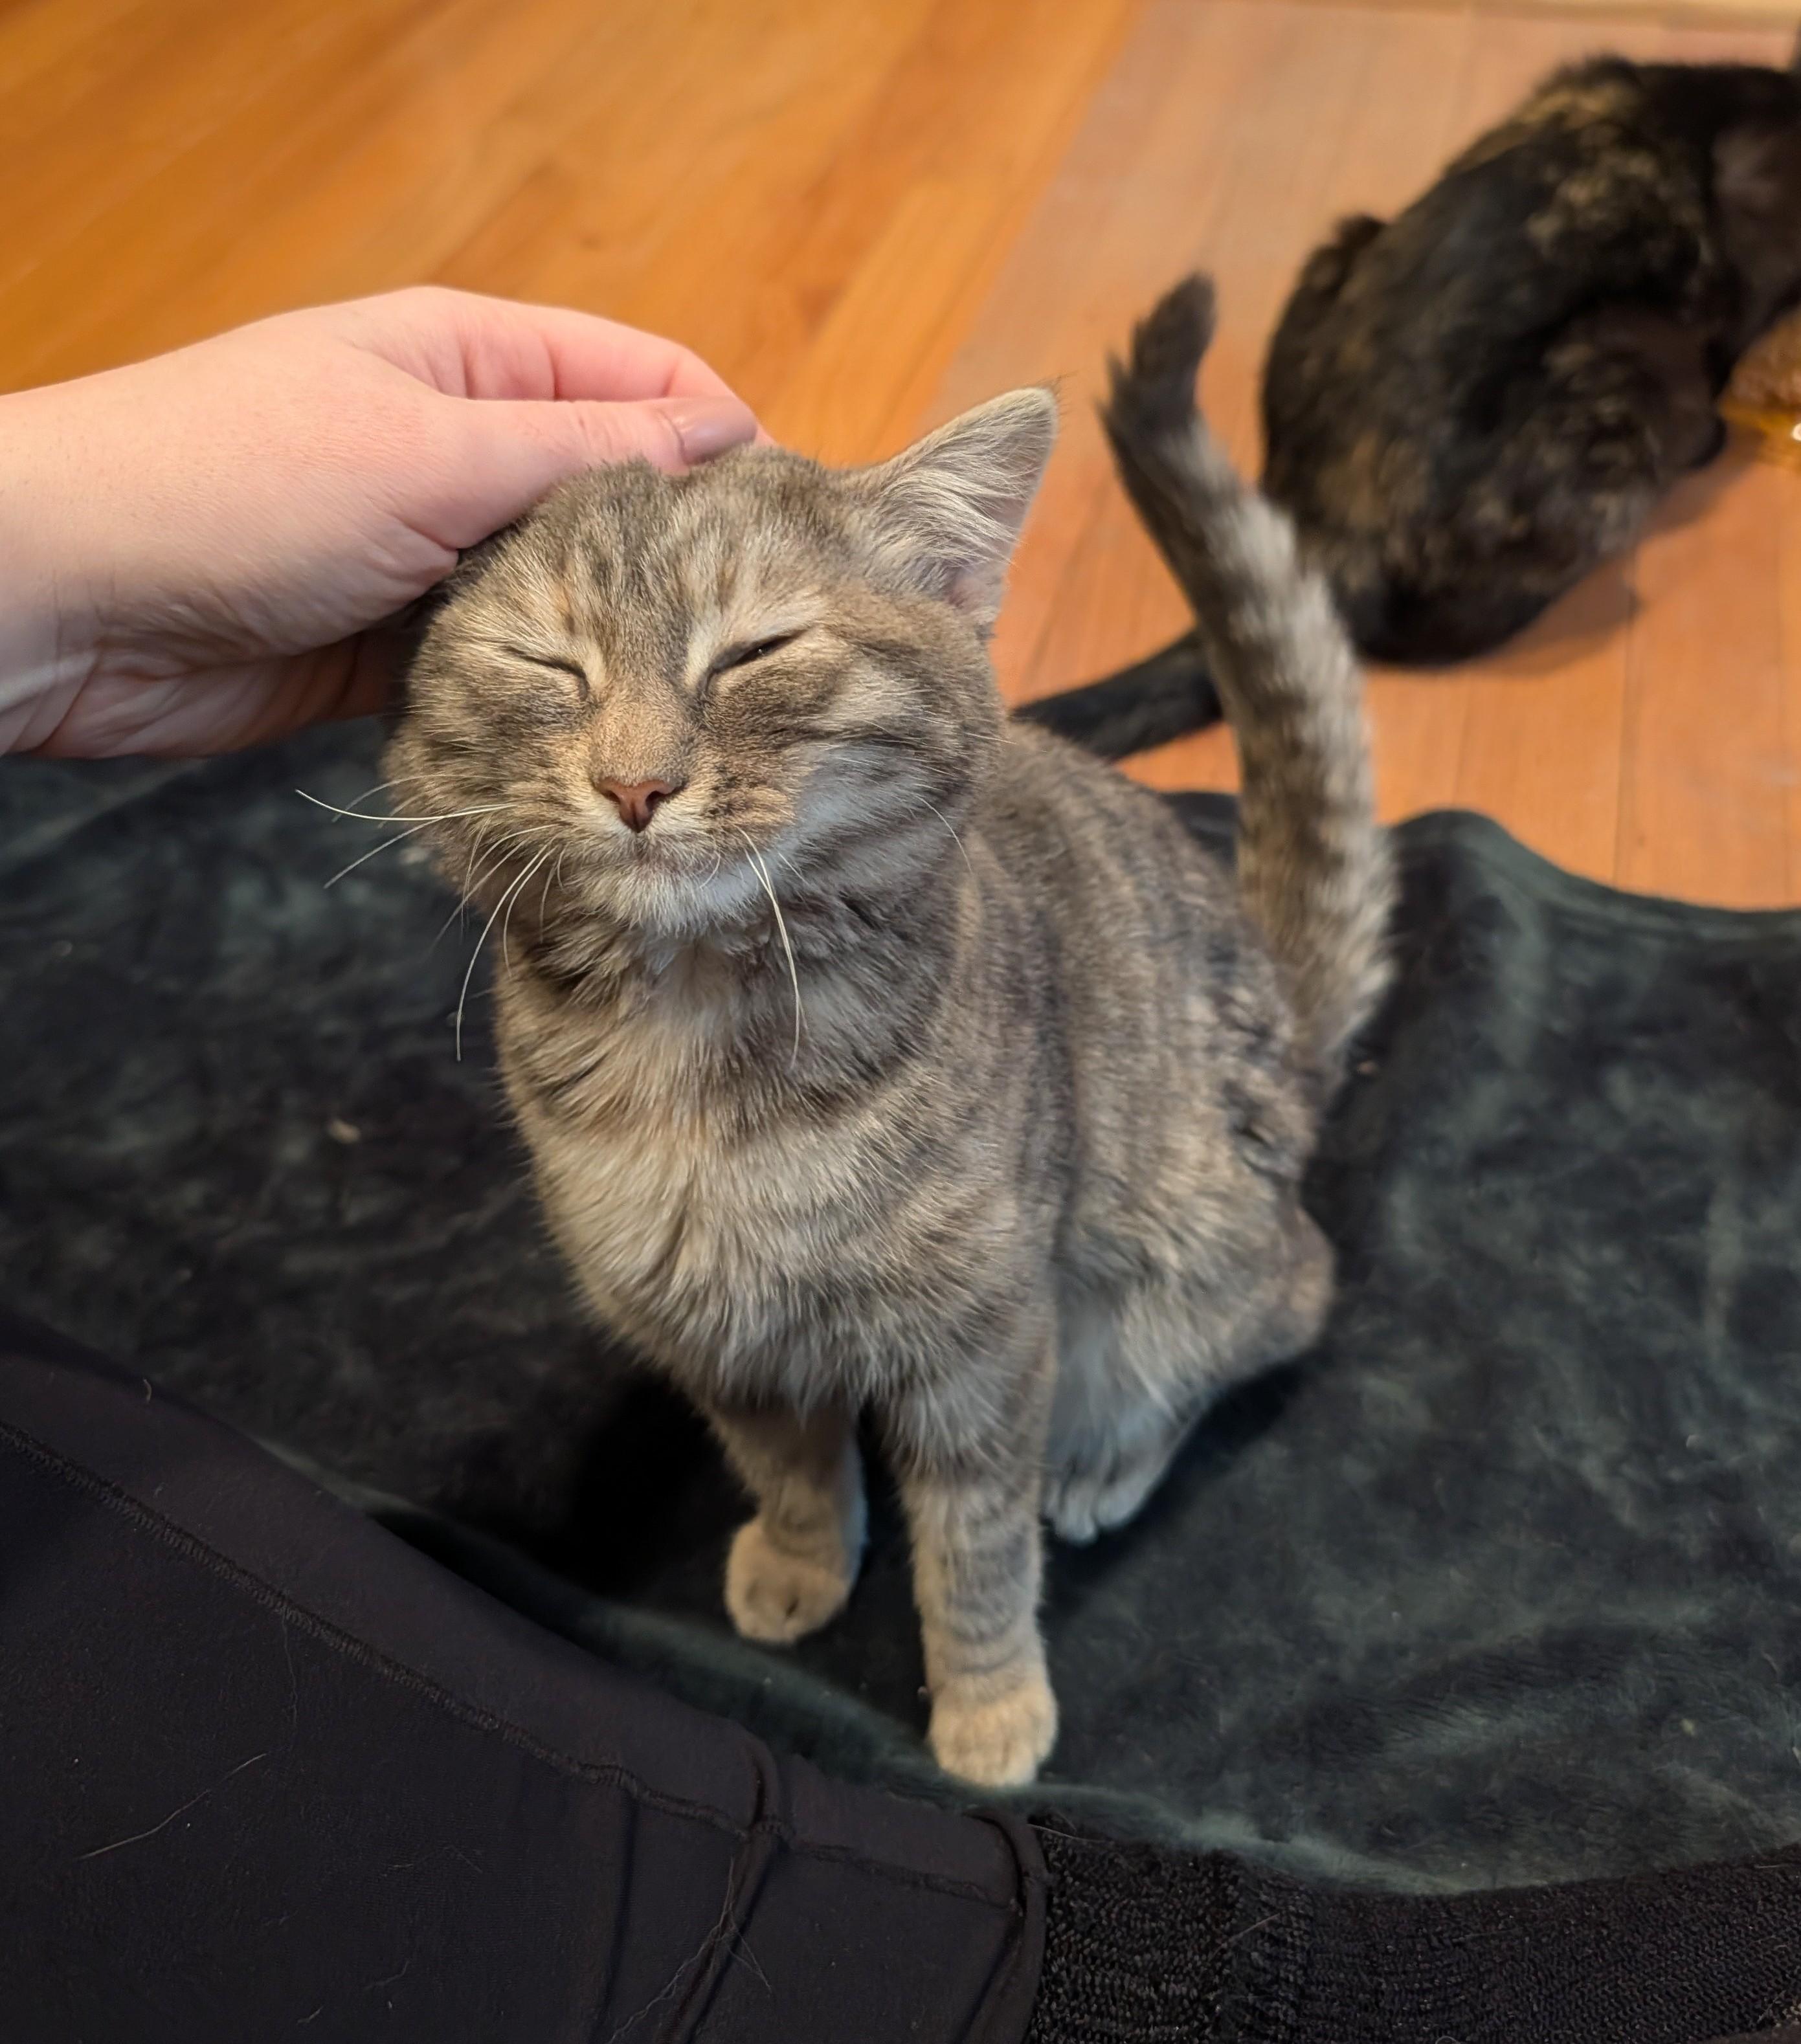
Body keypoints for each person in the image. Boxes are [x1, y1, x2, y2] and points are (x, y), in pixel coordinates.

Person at [3, 290, 1799, 2044]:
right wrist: (802, 1510)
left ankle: (1038, 1542)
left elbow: (981, 1346)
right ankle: (800, 1506)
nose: (634, 769)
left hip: (1145, 1209)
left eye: (755, 663)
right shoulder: (556, 939)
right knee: (717, 1333)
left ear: (951, 592)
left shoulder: (945, 998)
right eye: (553, 674)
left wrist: (994, 1653)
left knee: (1002, 1361)